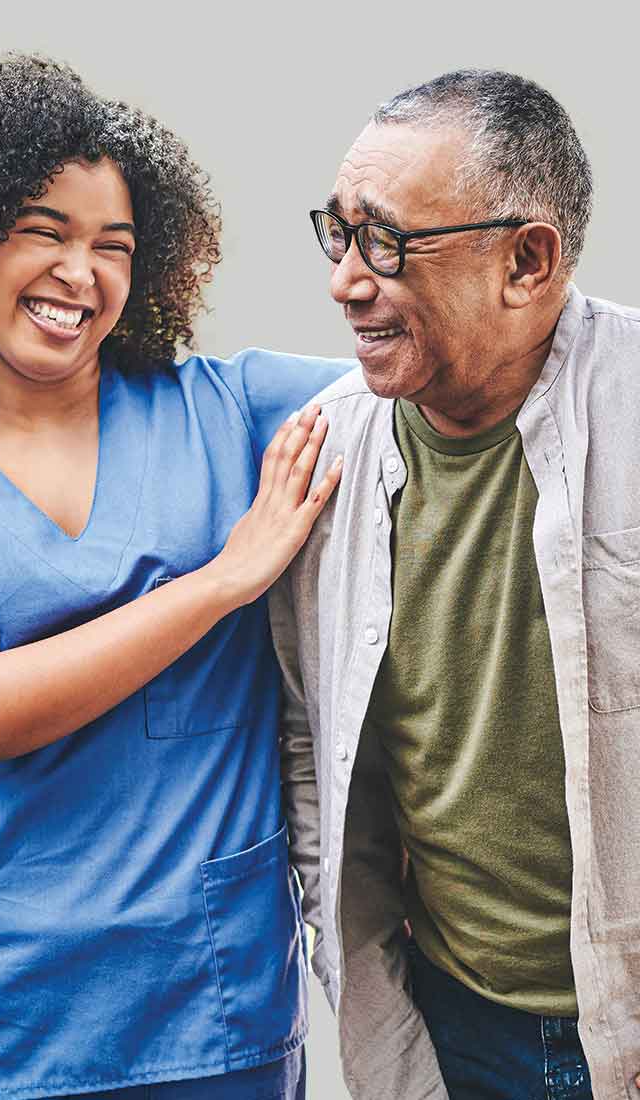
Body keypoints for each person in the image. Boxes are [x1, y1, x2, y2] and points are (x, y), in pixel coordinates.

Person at [0, 55, 350, 1100]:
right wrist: (220, 581)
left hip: (206, 1010)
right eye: (45, 231)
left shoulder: (232, 407)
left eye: (112, 246)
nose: (82, 272)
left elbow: (428, 376)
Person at [270, 69, 640, 1100]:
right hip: (451, 1019)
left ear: (526, 261)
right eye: (336, 234)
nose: (345, 279)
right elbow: (312, 730)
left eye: (386, 243)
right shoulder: (324, 452)